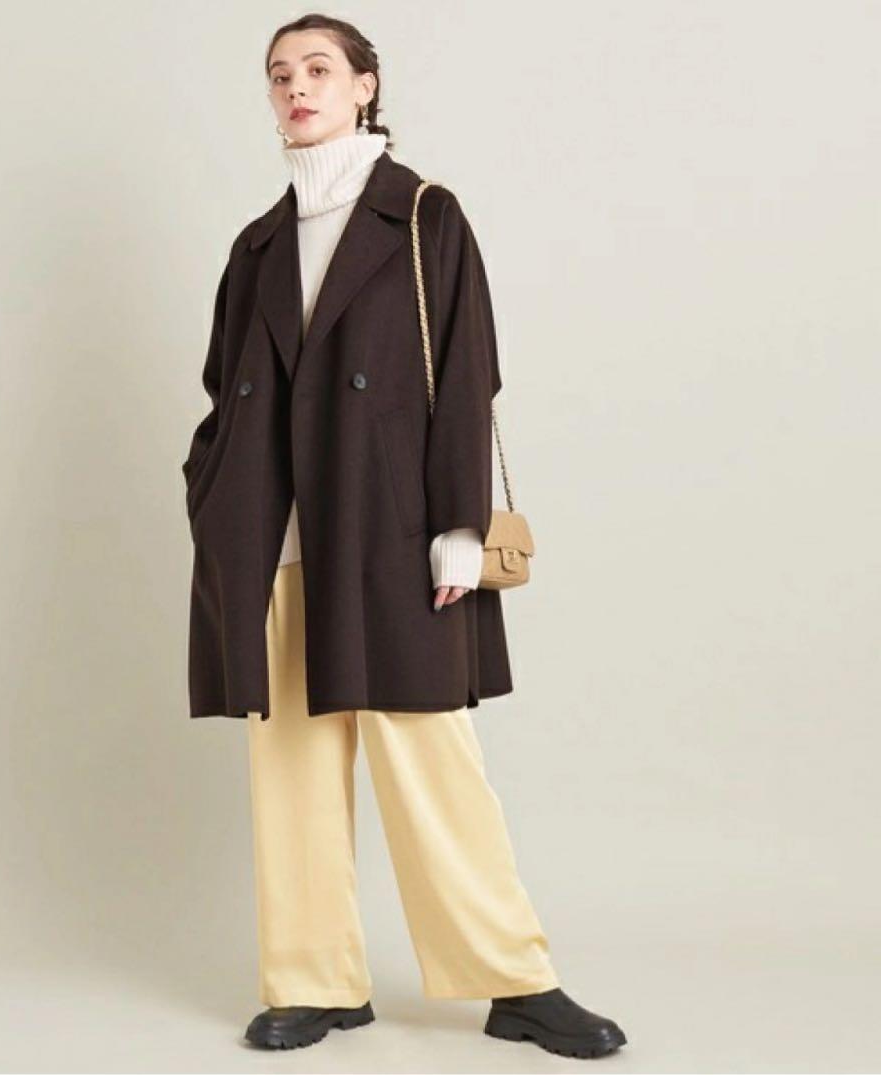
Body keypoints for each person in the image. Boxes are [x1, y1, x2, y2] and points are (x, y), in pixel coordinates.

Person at [181, 14, 628, 1059]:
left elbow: (466, 374)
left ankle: (513, 979)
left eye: (319, 69)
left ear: (365, 86)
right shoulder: (257, 244)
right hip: (272, 540)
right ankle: (314, 981)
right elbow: (222, 386)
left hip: (387, 533)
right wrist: (212, 493)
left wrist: (458, 527)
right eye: (280, 74)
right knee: (289, 769)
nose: (297, 88)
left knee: (432, 764)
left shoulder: (424, 216)